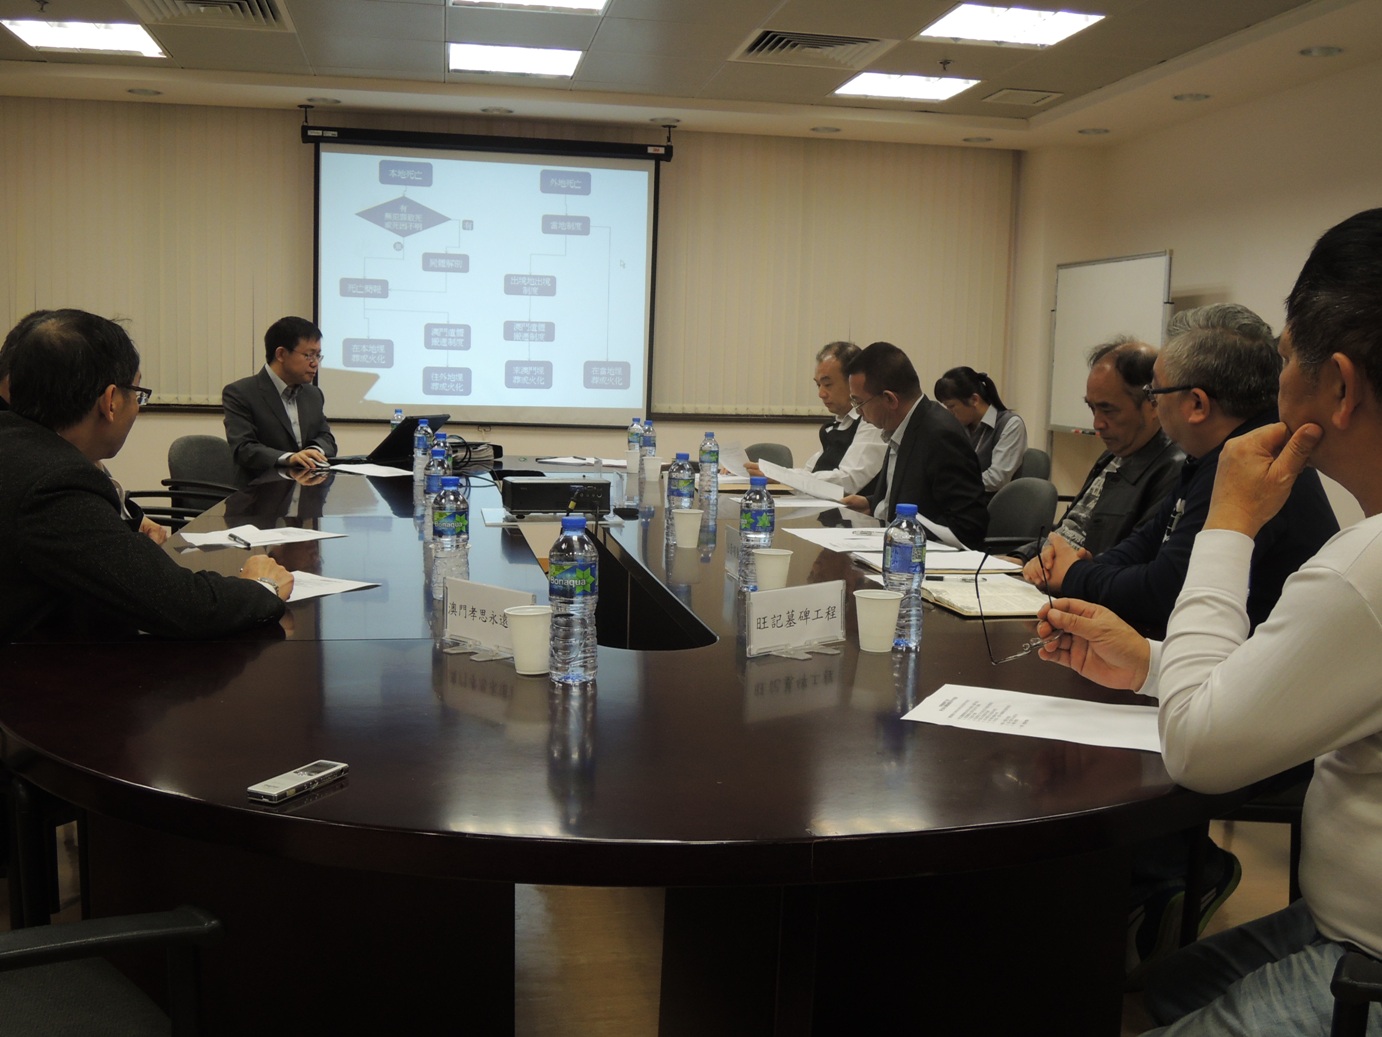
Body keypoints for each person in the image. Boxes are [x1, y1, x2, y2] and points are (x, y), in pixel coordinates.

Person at [1036, 207, 1382, 1036]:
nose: (1273, 381)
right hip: (1346, 914)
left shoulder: (1365, 567)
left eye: (1286, 357)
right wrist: (1149, 662)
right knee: (1171, 984)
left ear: (1339, 387)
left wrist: (1230, 521)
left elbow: (1199, 751)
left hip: (1365, 953)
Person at [1025, 304, 1337, 632]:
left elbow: (1166, 591)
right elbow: (1146, 543)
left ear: (1197, 404)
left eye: (1155, 392)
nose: (1154, 404)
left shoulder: (1255, 464)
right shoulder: (1214, 454)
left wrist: (1075, 575)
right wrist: (1080, 569)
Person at [0, 309, 292, 641]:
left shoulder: (20, 446)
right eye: (138, 393)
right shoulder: (54, 485)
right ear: (111, 401)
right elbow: (186, 608)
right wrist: (262, 586)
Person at [1008, 338, 1184, 564]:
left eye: (1108, 410)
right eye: (1092, 408)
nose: (1097, 424)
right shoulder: (1113, 454)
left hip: (1078, 580)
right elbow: (1069, 529)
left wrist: (1069, 570)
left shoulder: (1173, 470)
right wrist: (1021, 557)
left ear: (1153, 403)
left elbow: (1129, 564)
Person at [840, 341, 989, 550]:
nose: (858, 412)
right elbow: (920, 495)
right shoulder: (903, 426)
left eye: (859, 403)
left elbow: (968, 528)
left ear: (890, 400)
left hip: (924, 559)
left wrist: (902, 532)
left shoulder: (940, 435)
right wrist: (871, 503)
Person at [744, 341, 887, 494]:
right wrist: (769, 472)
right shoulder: (838, 425)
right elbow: (810, 472)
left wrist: (782, 476)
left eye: (828, 384)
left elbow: (849, 480)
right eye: (818, 385)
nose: (821, 394)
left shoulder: (871, 421)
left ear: (852, 381)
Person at [223, 315, 337, 486]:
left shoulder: (313, 394)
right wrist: (289, 458)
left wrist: (314, 451)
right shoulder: (240, 393)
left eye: (318, 355)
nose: (315, 363)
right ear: (281, 354)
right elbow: (243, 449)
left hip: (307, 492)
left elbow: (326, 438)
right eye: (309, 355)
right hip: (258, 493)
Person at [933, 366, 1028, 492]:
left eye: (951, 406)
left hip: (992, 500)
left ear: (974, 400)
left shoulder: (1010, 424)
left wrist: (955, 483)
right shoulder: (961, 426)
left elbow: (997, 479)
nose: (949, 413)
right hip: (963, 496)